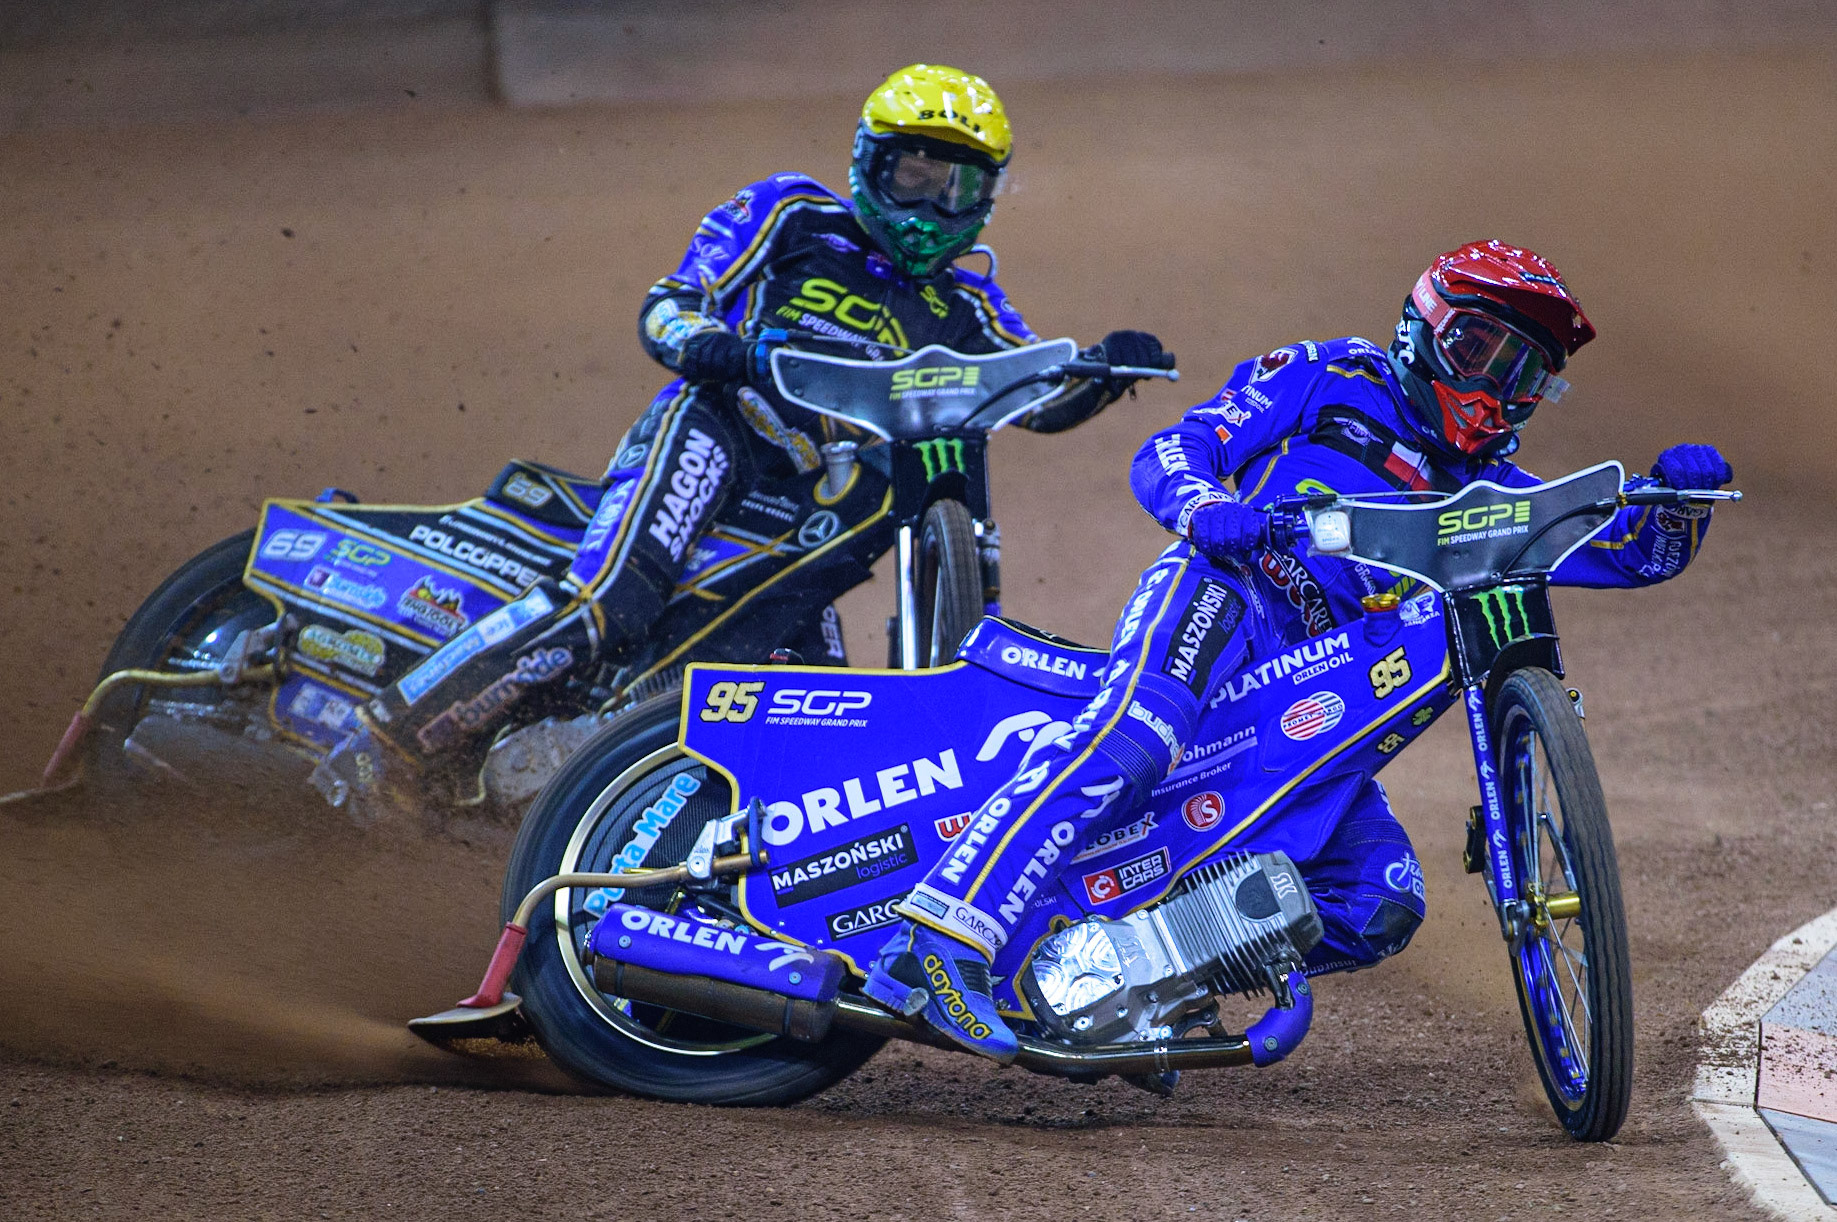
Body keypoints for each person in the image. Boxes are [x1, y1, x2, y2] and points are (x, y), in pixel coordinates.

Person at [863, 239, 1733, 1062]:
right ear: (1421, 331)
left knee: (1379, 899)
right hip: (1225, 595)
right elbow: (1176, 447)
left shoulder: (1495, 497)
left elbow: (1625, 552)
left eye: (1524, 372)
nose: (1497, 387)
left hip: (1309, 709)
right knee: (1138, 732)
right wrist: (1207, 509)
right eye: (1480, 351)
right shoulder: (1328, 376)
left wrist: (1677, 507)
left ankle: (1128, 983)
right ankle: (936, 937)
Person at [312, 64, 1165, 810]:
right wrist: (707, 345)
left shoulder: (967, 308)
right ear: (870, 165)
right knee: (611, 598)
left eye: (959, 186)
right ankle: (387, 738)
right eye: (914, 173)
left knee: (811, 695)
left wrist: (1102, 372)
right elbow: (671, 301)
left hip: (818, 498)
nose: (933, 205)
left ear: (987, 196)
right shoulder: (793, 216)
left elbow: (1028, 395)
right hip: (719, 427)